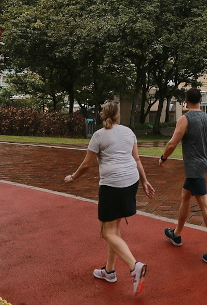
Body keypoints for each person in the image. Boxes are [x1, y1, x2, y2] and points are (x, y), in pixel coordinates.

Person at [65, 101, 155, 295]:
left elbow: (87, 164)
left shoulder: (98, 135)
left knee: (107, 232)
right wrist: (144, 181)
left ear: (103, 114)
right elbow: (137, 159)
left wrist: (72, 177)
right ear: (118, 115)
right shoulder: (129, 132)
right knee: (114, 229)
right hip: (131, 181)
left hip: (113, 185)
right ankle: (109, 271)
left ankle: (134, 266)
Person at [158, 88, 207, 264]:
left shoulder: (185, 119)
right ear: (200, 100)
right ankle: (177, 234)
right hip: (201, 166)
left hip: (194, 167)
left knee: (204, 203)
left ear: (186, 101)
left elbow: (173, 142)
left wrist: (163, 157)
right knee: (185, 196)